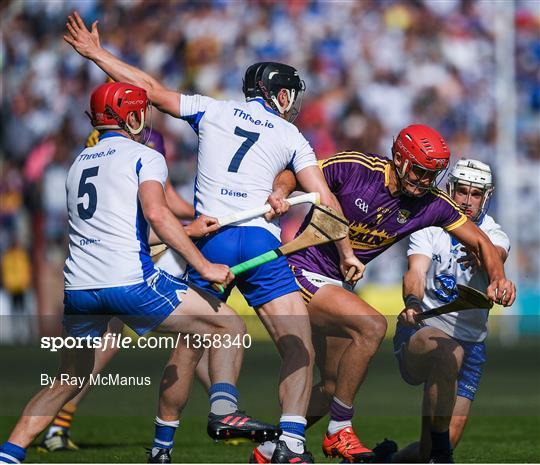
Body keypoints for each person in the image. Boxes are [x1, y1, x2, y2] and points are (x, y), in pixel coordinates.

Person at [64, 11, 363, 463]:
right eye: (291, 94)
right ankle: (291, 445)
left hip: (211, 237)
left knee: (190, 344)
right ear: (279, 94)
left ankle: (167, 445)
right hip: (260, 243)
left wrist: (96, 53)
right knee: (297, 346)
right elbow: (324, 199)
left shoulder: (213, 109)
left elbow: (145, 88)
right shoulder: (293, 135)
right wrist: (345, 252)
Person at [0, 82, 278, 465]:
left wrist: (190, 231)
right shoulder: (144, 155)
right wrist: (204, 265)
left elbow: (113, 227)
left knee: (67, 379)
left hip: (79, 289)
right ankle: (223, 411)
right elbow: (157, 213)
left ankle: (8, 455)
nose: (145, 121)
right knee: (228, 326)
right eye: (142, 114)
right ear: (130, 117)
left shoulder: (78, 163)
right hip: (130, 282)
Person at [248, 125, 516, 464]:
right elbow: (295, 173)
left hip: (335, 284)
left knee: (332, 386)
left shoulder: (431, 204)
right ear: (401, 161)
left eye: (433, 175)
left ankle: (272, 447)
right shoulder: (357, 168)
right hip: (299, 269)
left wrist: (498, 278)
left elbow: (480, 242)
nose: (424, 181)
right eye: (419, 171)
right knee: (372, 325)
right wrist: (278, 192)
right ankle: (339, 430)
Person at [38, 127, 195, 453]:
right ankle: (56, 425)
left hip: (99, 264)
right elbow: (166, 206)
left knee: (192, 336)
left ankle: (50, 428)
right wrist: (203, 219)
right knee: (200, 329)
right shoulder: (143, 148)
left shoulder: (95, 150)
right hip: (127, 266)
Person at [374, 159, 510, 463]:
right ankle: (443, 456)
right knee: (449, 354)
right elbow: (416, 272)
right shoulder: (428, 222)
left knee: (427, 452)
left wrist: (492, 267)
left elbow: (496, 253)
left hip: (471, 343)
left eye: (476, 194)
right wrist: (411, 303)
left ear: (487, 196)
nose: (467, 201)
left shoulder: (494, 234)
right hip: (422, 332)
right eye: (462, 191)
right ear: (450, 189)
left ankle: (381, 459)